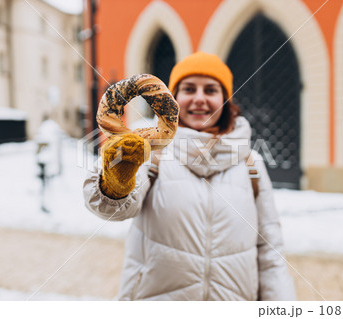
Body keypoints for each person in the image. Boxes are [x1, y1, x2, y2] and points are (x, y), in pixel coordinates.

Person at [83, 52, 296, 300]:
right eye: (189, 89)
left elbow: (271, 253)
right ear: (172, 99)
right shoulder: (149, 154)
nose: (199, 99)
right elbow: (111, 211)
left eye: (210, 90)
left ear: (225, 99)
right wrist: (115, 182)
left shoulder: (252, 164)